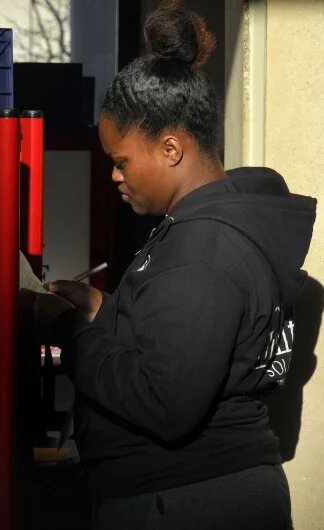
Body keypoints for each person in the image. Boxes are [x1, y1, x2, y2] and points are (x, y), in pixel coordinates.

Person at [23, 2, 317, 529]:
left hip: (187, 503)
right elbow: (178, 338)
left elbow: (164, 401)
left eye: (121, 161)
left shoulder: (204, 250)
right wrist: (102, 310)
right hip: (190, 496)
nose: (114, 177)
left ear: (172, 147)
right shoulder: (202, 232)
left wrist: (67, 330)